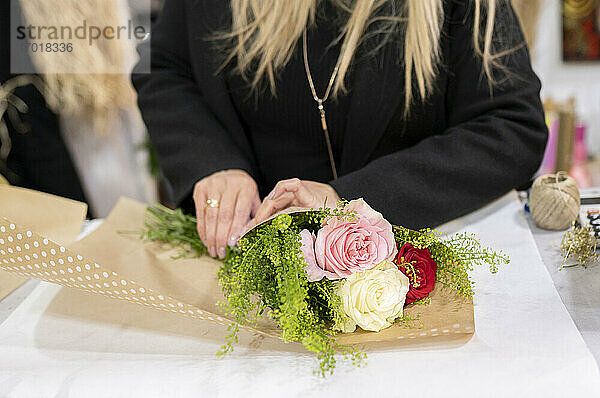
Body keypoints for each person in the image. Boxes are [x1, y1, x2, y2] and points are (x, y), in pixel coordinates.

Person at [133, 0, 548, 260]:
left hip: (419, 261)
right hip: (254, 270)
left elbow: (511, 126)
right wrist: (213, 162)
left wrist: (347, 199)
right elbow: (164, 69)